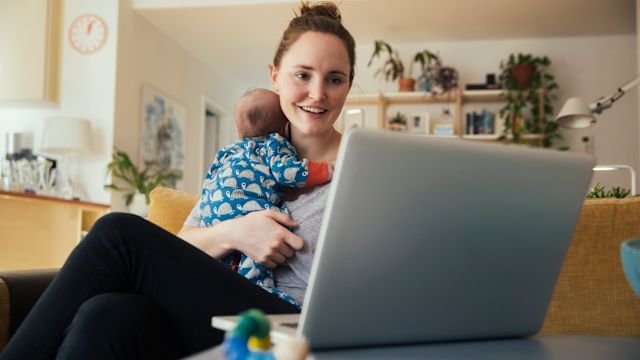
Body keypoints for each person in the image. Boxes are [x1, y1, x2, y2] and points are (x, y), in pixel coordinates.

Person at [0, 1, 354, 358]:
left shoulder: (361, 171)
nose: (318, 92)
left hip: (294, 330)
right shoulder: (245, 161)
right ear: (274, 76)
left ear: (349, 84)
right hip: (220, 319)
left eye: (334, 79)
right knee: (105, 314)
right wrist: (236, 232)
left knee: (118, 235)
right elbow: (187, 242)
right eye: (302, 75)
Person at [203, 88, 333, 307]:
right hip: (246, 213)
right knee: (256, 256)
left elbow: (209, 180)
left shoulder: (229, 151)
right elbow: (288, 172)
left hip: (213, 211)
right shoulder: (274, 143)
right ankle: (262, 286)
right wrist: (327, 171)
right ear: (284, 128)